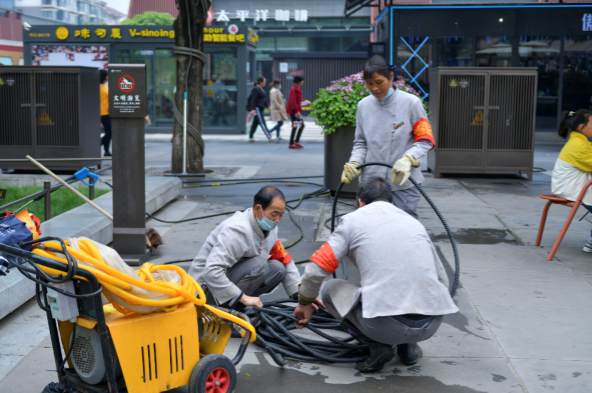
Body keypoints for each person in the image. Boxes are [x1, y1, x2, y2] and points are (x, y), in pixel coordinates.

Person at [294, 177, 458, 373]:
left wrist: (304, 303)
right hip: (430, 325)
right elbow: (442, 280)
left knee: (329, 288)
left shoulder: (352, 220)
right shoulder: (413, 223)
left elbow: (315, 270)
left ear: (360, 202)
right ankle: (408, 348)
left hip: (385, 327)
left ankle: (378, 347)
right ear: (392, 203)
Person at [188, 186, 322, 310]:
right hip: (202, 293)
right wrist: (243, 298)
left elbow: (284, 259)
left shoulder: (269, 229)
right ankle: (224, 313)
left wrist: (303, 297)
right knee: (259, 265)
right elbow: (211, 271)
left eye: (281, 215)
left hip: (225, 283)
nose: (277, 220)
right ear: (258, 209)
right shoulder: (237, 230)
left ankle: (234, 306)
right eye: (274, 214)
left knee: (277, 268)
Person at [340, 55, 435, 219]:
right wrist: (355, 162)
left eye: (379, 82)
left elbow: (425, 139)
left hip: (402, 182)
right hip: (370, 184)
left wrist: (408, 158)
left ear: (391, 77)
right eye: (369, 84)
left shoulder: (411, 103)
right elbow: (361, 143)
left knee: (404, 228)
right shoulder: (363, 106)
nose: (375, 88)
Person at [552, 109, 592, 252]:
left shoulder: (578, 141)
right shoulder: (579, 145)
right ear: (582, 127)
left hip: (571, 186)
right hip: (571, 188)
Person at [286, 76, 310, 149]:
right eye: (302, 81)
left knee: (299, 126)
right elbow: (293, 101)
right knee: (297, 126)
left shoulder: (296, 88)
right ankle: (291, 143)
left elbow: (298, 99)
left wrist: (305, 101)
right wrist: (297, 111)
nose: (303, 82)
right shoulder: (294, 89)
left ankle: (295, 142)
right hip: (294, 111)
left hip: (296, 111)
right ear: (298, 81)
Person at [246, 76, 270, 142]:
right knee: (262, 123)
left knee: (255, 123)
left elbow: (264, 99)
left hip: (261, 108)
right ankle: (269, 136)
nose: (265, 82)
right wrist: (252, 109)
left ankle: (251, 137)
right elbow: (253, 100)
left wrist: (267, 106)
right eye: (264, 81)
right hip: (257, 108)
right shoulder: (255, 89)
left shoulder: (261, 89)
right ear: (260, 82)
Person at [99, 69, 112, 157]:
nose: (108, 77)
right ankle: (99, 143)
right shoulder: (98, 87)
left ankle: (106, 151)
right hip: (102, 113)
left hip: (108, 113)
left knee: (109, 132)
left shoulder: (104, 86)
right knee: (111, 132)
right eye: (107, 75)